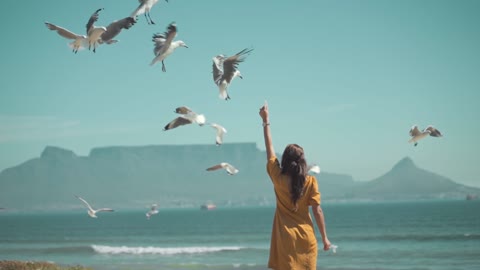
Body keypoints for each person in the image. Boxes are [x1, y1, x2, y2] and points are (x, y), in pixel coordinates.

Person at [259, 102, 331, 270]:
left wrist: (265, 121)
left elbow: (269, 148)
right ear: (302, 161)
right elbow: (317, 210)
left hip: (285, 240)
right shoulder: (311, 181)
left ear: (284, 159)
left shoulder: (277, 176)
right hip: (307, 240)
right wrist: (325, 238)